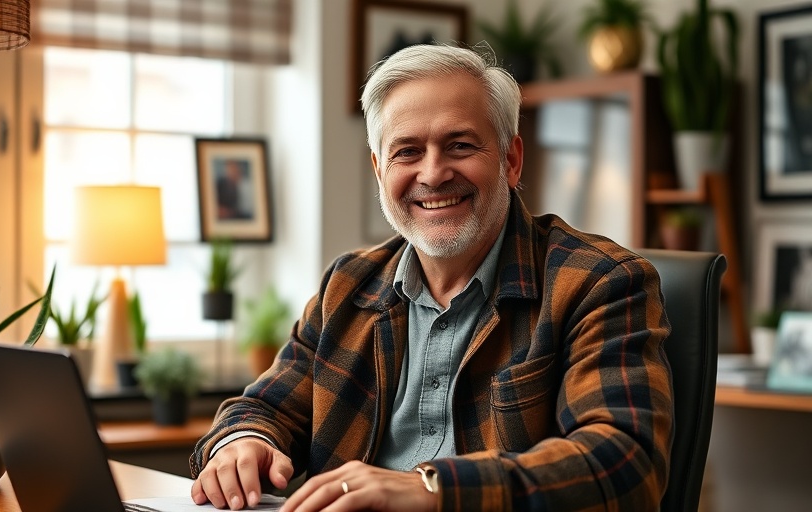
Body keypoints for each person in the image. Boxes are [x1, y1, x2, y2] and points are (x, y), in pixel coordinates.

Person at [190, 44, 673, 511]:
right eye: (407, 152)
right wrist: (242, 442)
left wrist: (435, 489)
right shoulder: (349, 284)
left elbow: (624, 465)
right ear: (380, 171)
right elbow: (266, 406)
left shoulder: (598, 283)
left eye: (460, 145)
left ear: (510, 160)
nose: (434, 173)